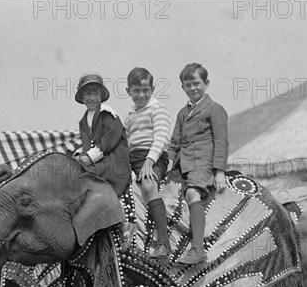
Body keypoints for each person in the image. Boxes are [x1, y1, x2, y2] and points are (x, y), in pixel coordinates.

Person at [168, 63, 229, 265]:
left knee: (192, 193)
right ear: (183, 87)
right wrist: (169, 161)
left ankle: (198, 249)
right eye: (188, 85)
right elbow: (174, 143)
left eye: (196, 83)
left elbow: (221, 140)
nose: (193, 88)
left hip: (203, 162)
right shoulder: (181, 113)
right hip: (181, 164)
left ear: (206, 83)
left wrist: (219, 172)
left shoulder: (215, 109)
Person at [74, 72, 135, 250]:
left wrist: (90, 157)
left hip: (115, 158)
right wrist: (81, 155)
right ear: (82, 97)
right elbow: (87, 144)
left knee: (92, 176)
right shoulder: (84, 120)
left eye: (95, 93)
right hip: (99, 158)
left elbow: (110, 140)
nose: (92, 98)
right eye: (88, 94)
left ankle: (125, 223)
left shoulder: (108, 114)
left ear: (101, 96)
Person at [124, 67, 172, 259]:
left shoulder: (157, 109)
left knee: (149, 185)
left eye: (146, 90)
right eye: (136, 91)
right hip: (133, 159)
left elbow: (161, 137)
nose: (141, 95)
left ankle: (163, 242)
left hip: (154, 155)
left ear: (152, 89)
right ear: (129, 91)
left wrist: (149, 162)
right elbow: (126, 144)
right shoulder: (130, 116)